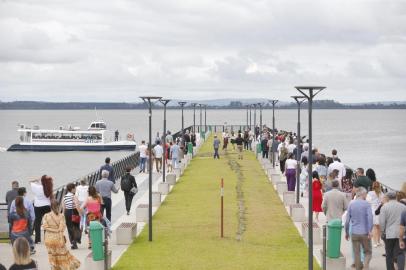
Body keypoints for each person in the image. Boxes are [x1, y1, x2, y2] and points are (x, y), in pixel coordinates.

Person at [42, 200, 80, 269]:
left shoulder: (46, 216)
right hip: (58, 239)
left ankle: (54, 268)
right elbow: (61, 228)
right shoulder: (61, 216)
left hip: (48, 239)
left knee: (52, 256)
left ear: (50, 207)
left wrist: (52, 230)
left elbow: (44, 227)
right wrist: (57, 230)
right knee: (62, 256)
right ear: (58, 206)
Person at [345, 187, 373, 270]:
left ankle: (358, 267)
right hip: (364, 232)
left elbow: (347, 220)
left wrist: (346, 232)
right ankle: (366, 266)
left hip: (354, 232)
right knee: (368, 251)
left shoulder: (351, 203)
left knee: (356, 253)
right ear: (363, 194)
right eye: (366, 194)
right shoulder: (367, 204)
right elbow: (370, 218)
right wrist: (370, 230)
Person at [380, 191, 406, 270]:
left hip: (389, 233)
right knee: (400, 253)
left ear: (387, 197)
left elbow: (382, 222)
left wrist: (383, 231)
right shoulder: (403, 206)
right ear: (396, 197)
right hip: (401, 233)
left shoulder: (384, 207)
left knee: (389, 254)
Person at [29, 175, 53, 244]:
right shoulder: (48, 188)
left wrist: (36, 180)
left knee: (38, 223)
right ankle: (46, 238)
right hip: (47, 206)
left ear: (42, 181)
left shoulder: (36, 187)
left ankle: (37, 240)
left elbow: (30, 182)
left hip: (37, 206)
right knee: (47, 223)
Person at [62, 183, 81, 250]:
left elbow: (63, 207)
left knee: (70, 228)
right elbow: (77, 205)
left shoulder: (64, 197)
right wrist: (80, 213)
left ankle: (73, 242)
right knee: (76, 227)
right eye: (75, 188)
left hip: (67, 213)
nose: (75, 189)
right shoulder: (74, 196)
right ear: (72, 189)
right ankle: (77, 239)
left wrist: (63, 215)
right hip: (74, 212)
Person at [366, 181, 385, 247]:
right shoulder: (382, 193)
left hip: (373, 210)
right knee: (379, 227)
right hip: (380, 210)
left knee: (374, 227)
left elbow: (368, 202)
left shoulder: (370, 193)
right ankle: (379, 241)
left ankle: (375, 242)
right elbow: (383, 202)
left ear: (372, 186)